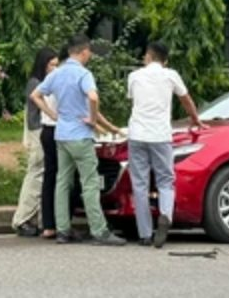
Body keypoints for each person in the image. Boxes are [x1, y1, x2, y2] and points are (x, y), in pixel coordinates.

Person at [31, 34, 126, 246]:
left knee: (62, 182)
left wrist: (52, 114)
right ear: (83, 52)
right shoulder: (84, 74)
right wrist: (92, 119)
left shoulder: (57, 73)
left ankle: (62, 229)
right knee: (89, 182)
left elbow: (35, 95)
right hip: (80, 136)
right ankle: (99, 230)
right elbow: (93, 97)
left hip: (61, 134)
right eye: (89, 52)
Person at [126, 41, 202, 248]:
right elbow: (186, 100)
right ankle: (165, 215)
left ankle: (144, 234)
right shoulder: (171, 75)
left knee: (140, 184)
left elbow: (133, 100)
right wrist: (195, 119)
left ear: (148, 57)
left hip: (137, 134)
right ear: (165, 60)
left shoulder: (134, 76)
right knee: (165, 180)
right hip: (160, 135)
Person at [12, 47, 59, 237]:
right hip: (38, 130)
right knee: (36, 174)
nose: (55, 69)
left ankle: (38, 219)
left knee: (42, 175)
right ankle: (22, 218)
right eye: (52, 65)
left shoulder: (41, 81)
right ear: (43, 64)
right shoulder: (37, 84)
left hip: (41, 130)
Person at [37, 47, 67, 240]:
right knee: (55, 177)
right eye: (52, 65)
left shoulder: (52, 81)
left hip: (55, 129)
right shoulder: (52, 83)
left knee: (56, 176)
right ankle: (51, 223)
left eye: (57, 64)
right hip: (52, 129)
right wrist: (52, 115)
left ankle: (54, 223)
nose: (55, 68)